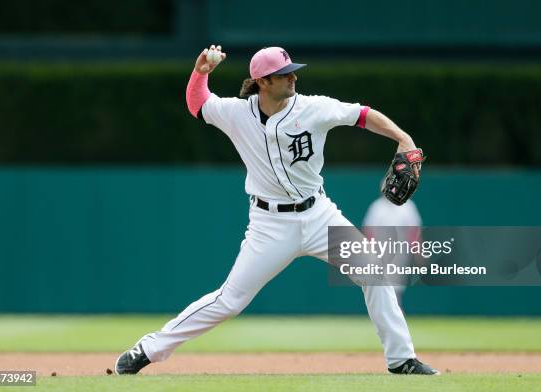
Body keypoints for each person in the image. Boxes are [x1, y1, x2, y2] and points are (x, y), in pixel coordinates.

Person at [114, 45, 439, 376]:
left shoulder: (314, 108)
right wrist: (201, 72)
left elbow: (362, 114)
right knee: (229, 300)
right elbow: (198, 104)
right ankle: (148, 349)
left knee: (375, 273)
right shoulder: (236, 113)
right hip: (269, 224)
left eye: (293, 71)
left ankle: (402, 360)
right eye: (285, 74)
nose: (293, 77)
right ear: (263, 82)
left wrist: (404, 139)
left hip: (319, 216)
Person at [363, 195, 422, 307]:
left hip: (400, 253)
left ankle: (395, 313)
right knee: (380, 285)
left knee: (395, 287)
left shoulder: (408, 206)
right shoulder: (377, 207)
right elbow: (369, 231)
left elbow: (414, 231)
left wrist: (418, 251)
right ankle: (388, 314)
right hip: (380, 253)